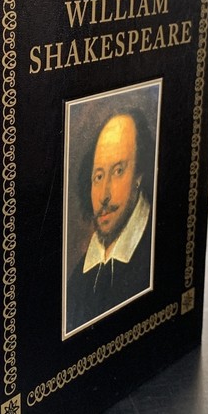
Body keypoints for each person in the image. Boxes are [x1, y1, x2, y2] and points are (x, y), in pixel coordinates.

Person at [65, 109, 154, 335]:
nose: (104, 195)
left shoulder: (154, 248)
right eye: (98, 176)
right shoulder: (77, 282)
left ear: (139, 175)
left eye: (118, 171)